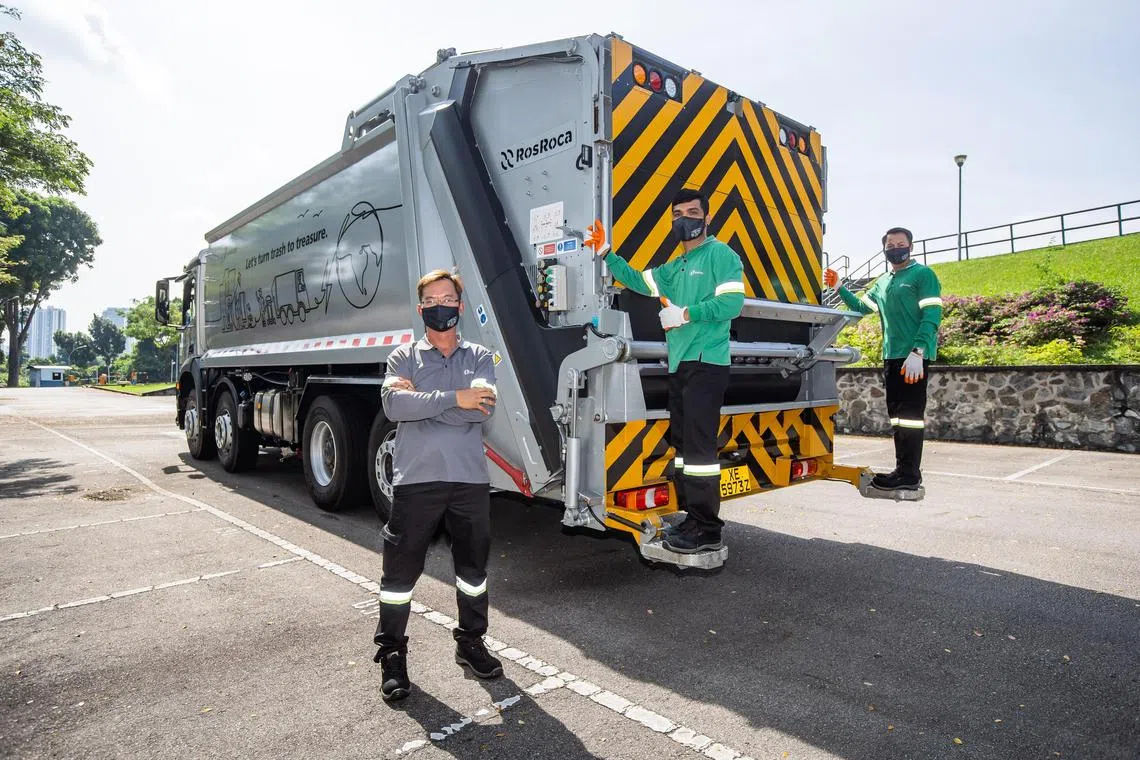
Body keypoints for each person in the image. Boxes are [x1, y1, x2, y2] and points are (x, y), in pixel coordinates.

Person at [585, 188, 745, 554]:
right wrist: (607, 254)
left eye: (692, 212)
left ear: (707, 217)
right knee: (685, 447)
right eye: (678, 213)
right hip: (681, 364)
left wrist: (686, 314)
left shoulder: (721, 255)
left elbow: (732, 303)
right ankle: (692, 519)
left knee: (701, 452)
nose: (684, 218)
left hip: (707, 363)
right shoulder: (676, 267)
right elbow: (641, 281)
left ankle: (708, 530)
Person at [372, 269, 502, 702]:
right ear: (421, 307)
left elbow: (480, 409)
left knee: (473, 572)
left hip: (469, 481)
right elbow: (394, 406)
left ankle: (470, 642)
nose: (440, 305)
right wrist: (453, 398)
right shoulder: (402, 357)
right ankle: (392, 654)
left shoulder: (482, 356)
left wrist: (425, 402)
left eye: (448, 298)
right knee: (399, 575)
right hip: (416, 481)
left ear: (460, 306)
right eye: (431, 299)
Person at [825, 227, 943, 492]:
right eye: (890, 244)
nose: (895, 248)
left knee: (911, 417)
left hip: (912, 357)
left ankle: (910, 475)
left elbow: (932, 315)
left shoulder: (923, 275)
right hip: (892, 356)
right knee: (898, 418)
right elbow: (861, 308)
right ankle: (903, 470)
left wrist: (919, 351)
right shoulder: (883, 281)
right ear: (885, 249)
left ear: (910, 247)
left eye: (901, 243)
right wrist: (839, 287)